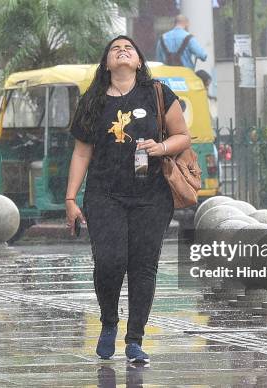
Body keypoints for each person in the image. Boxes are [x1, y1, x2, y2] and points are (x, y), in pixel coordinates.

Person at [65, 35, 191, 363]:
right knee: (109, 261)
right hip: (104, 193)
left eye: (129, 48)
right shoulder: (92, 100)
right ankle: (109, 323)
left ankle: (135, 339)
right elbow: (81, 153)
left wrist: (160, 148)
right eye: (115, 49)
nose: (123, 50)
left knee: (143, 266)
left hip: (152, 194)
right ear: (106, 63)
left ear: (138, 61)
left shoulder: (156, 93)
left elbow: (182, 135)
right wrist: (70, 198)